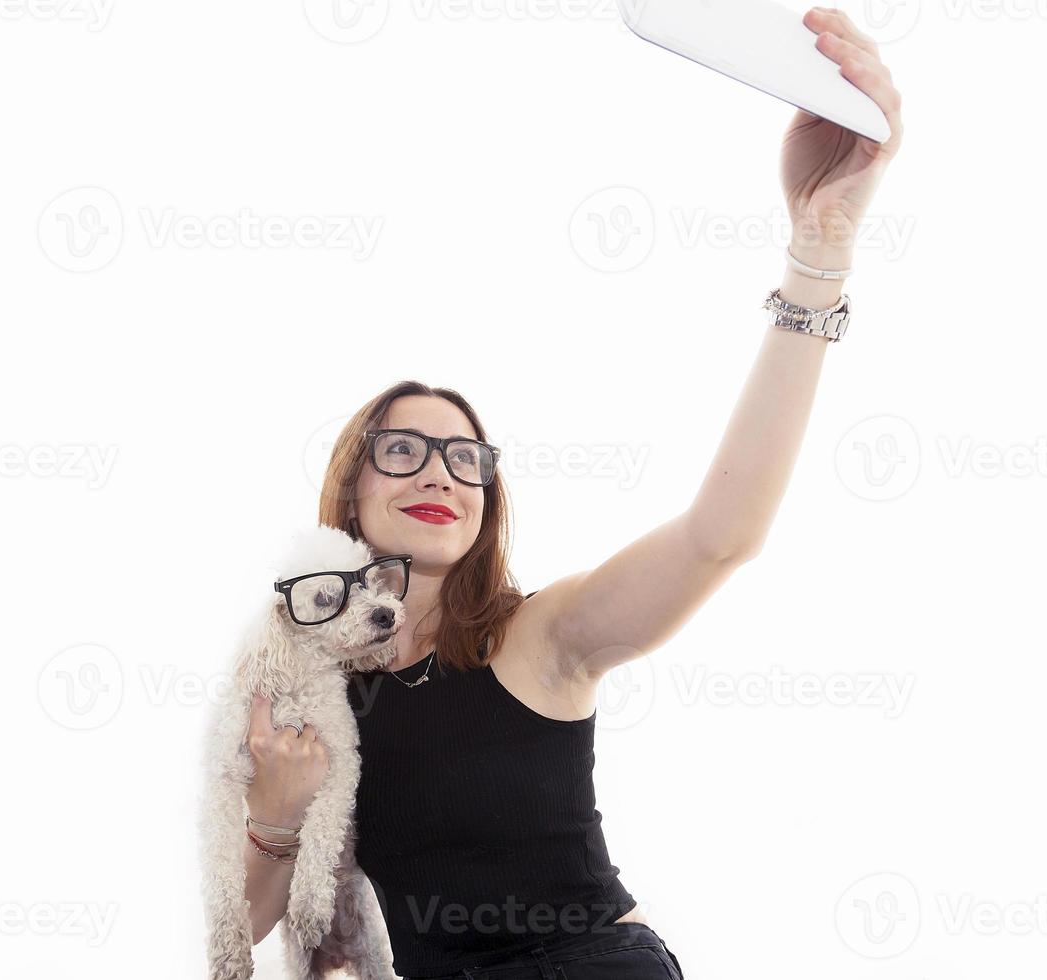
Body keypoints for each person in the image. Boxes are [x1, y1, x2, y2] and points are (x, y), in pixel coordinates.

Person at [239, 9, 904, 977]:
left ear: (485, 504)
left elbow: (723, 533)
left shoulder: (541, 633)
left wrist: (821, 253)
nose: (439, 470)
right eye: (405, 449)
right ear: (348, 487)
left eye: (467, 458)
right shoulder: (307, 694)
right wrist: (271, 811)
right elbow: (250, 925)